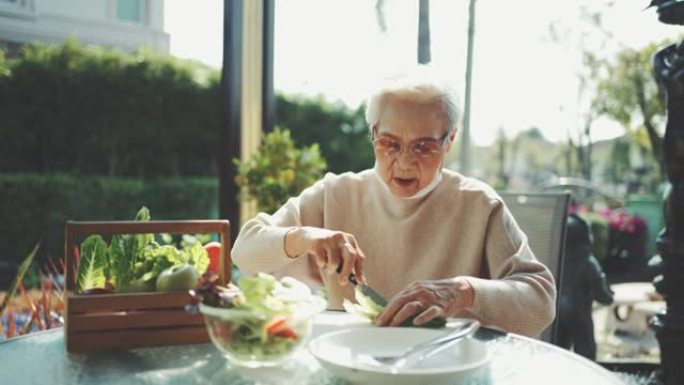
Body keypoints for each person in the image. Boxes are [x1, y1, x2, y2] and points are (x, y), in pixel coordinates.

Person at [232, 69, 556, 337]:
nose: (403, 162)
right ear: (373, 134)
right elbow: (244, 253)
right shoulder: (335, 193)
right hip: (351, 365)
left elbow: (540, 304)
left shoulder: (480, 205)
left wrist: (465, 291)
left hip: (442, 369)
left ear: (450, 140)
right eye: (389, 143)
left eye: (424, 147)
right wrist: (304, 237)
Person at [557, 199, 613, 359]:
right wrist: (608, 297)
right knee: (585, 348)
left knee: (559, 348)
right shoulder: (587, 261)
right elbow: (599, 289)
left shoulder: (556, 259)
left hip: (558, 310)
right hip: (579, 312)